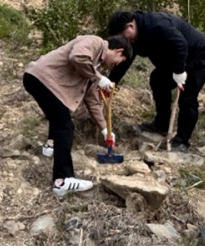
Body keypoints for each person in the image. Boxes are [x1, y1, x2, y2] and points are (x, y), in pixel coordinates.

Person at [23, 34, 132, 198]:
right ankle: (62, 180)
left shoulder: (94, 67)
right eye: (119, 61)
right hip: (42, 79)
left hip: (41, 80)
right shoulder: (95, 42)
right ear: (118, 51)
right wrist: (99, 78)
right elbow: (77, 56)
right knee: (65, 126)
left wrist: (105, 129)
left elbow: (92, 100)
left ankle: (50, 148)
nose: (116, 65)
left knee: (61, 115)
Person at [107, 10, 205, 151]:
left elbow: (180, 44)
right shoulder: (133, 38)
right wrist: (111, 82)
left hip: (198, 55)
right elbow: (126, 59)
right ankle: (162, 124)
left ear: (130, 27)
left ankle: (182, 141)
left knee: (187, 96)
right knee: (158, 80)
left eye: (123, 36)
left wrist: (179, 71)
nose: (124, 41)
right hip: (174, 59)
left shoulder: (157, 25)